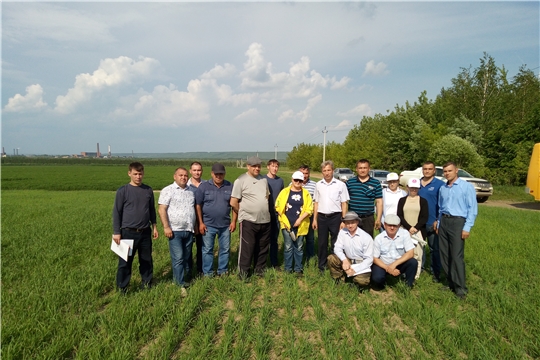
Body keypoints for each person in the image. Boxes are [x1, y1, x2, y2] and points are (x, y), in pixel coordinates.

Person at [112, 162, 159, 294]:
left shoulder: (148, 190)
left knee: (146, 260)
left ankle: (147, 284)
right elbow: (117, 212)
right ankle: (123, 288)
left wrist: (154, 226)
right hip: (127, 232)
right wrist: (116, 232)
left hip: (145, 232)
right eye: (135, 174)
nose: (138, 176)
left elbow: (151, 210)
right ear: (129, 173)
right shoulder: (123, 191)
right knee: (125, 262)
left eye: (140, 174)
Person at [436, 162, 478, 300]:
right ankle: (451, 283)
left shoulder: (466, 187)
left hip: (458, 222)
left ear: (456, 171)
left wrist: (467, 227)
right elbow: (441, 207)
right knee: (445, 255)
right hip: (444, 222)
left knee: (456, 256)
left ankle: (461, 288)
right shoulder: (443, 188)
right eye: (445, 171)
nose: (447, 173)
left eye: (450, 171)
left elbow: (472, 209)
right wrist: (439, 222)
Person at [230, 156, 271, 278]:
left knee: (262, 247)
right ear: (248, 166)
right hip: (248, 221)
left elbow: (266, 196)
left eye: (259, 166)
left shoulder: (264, 179)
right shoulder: (241, 180)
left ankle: (260, 270)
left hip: (265, 220)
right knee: (247, 247)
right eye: (254, 166)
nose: (257, 168)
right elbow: (233, 202)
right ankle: (243, 273)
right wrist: (243, 212)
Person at [158, 167, 196, 296]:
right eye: (180, 175)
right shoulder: (168, 190)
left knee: (186, 257)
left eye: (185, 175)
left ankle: (181, 279)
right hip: (174, 231)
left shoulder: (191, 191)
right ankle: (180, 284)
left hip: (189, 230)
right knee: (178, 258)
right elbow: (162, 209)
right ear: (175, 176)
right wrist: (166, 226)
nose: (183, 177)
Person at [195, 163, 237, 277]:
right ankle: (208, 273)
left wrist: (233, 221)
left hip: (225, 225)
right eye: (216, 174)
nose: (219, 176)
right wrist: (201, 223)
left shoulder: (230, 186)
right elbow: (198, 205)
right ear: (212, 174)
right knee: (207, 250)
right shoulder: (203, 187)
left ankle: (222, 271)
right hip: (208, 225)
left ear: (224, 174)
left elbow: (235, 205)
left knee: (225, 249)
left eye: (221, 174)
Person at [312, 160, 349, 272]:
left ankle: (334, 266)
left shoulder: (340, 185)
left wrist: (343, 220)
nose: (327, 173)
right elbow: (316, 203)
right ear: (322, 172)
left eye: (329, 170)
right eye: (324, 171)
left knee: (336, 243)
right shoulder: (318, 185)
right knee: (322, 243)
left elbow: (344, 203)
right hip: (322, 217)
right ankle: (321, 266)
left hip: (336, 217)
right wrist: (315, 219)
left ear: (333, 171)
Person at [275, 171, 313, 275]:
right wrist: (286, 222)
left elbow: (309, 209)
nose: (297, 182)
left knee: (299, 247)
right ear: (292, 179)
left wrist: (299, 220)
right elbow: (278, 206)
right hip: (286, 225)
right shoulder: (284, 192)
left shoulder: (305, 193)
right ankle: (288, 269)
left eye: (300, 180)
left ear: (302, 181)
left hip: (301, 225)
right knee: (288, 247)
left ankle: (298, 269)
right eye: (295, 180)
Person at [328, 211, 373, 292]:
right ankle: (339, 280)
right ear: (344, 223)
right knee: (331, 258)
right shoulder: (342, 232)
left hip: (361, 263)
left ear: (357, 222)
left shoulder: (366, 237)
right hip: (348, 259)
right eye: (347, 223)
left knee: (362, 281)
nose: (350, 225)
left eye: (352, 222)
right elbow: (337, 248)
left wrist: (356, 270)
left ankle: (357, 284)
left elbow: (369, 259)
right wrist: (344, 260)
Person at [371, 214, 418, 290]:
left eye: (395, 225)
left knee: (413, 262)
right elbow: (375, 258)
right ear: (385, 225)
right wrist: (388, 268)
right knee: (377, 278)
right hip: (384, 264)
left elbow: (410, 253)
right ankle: (382, 284)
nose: (392, 228)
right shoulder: (378, 238)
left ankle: (408, 286)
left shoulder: (405, 234)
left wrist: (394, 264)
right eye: (389, 225)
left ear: (399, 225)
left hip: (399, 263)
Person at [418, 161, 445, 282]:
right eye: (425, 169)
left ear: (434, 171)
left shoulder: (440, 185)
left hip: (432, 221)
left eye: (430, 169)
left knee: (435, 249)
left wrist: (438, 220)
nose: (427, 171)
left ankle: (436, 272)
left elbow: (443, 204)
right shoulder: (417, 183)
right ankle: (420, 268)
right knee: (419, 247)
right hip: (419, 222)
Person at [397, 178, 429, 279]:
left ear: (418, 188)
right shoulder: (402, 200)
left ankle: (416, 275)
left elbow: (424, 217)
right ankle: (403, 273)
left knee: (417, 254)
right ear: (407, 188)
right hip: (404, 230)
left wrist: (415, 228)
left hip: (418, 232)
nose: (413, 190)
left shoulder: (423, 201)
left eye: (416, 188)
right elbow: (400, 215)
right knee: (404, 253)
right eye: (412, 188)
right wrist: (408, 227)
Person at [346, 159, 383, 238]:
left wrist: (378, 218)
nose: (362, 170)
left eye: (365, 168)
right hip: (353, 218)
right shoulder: (349, 183)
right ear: (356, 169)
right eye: (360, 168)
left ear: (369, 169)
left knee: (367, 241)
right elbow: (344, 201)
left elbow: (379, 202)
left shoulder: (375, 183)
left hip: (368, 218)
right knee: (351, 240)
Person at [265, 159, 284, 269]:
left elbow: (282, 197)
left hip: (276, 214)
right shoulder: (263, 179)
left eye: (277, 166)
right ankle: (261, 263)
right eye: (273, 166)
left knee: (274, 239)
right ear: (268, 167)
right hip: (264, 214)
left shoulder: (280, 181)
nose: (275, 168)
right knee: (263, 240)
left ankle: (274, 262)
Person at [187, 161, 204, 278]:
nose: (197, 172)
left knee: (202, 247)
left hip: (203, 221)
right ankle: (188, 271)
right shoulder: (186, 186)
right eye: (194, 170)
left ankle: (200, 270)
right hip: (189, 222)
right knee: (187, 249)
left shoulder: (206, 185)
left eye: (199, 170)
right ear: (190, 171)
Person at [299, 164, 317, 262]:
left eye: (306, 173)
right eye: (302, 173)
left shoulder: (314, 185)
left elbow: (317, 201)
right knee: (299, 239)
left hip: (310, 216)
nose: (304, 176)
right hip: (298, 217)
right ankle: (299, 258)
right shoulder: (293, 183)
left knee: (310, 238)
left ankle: (310, 258)